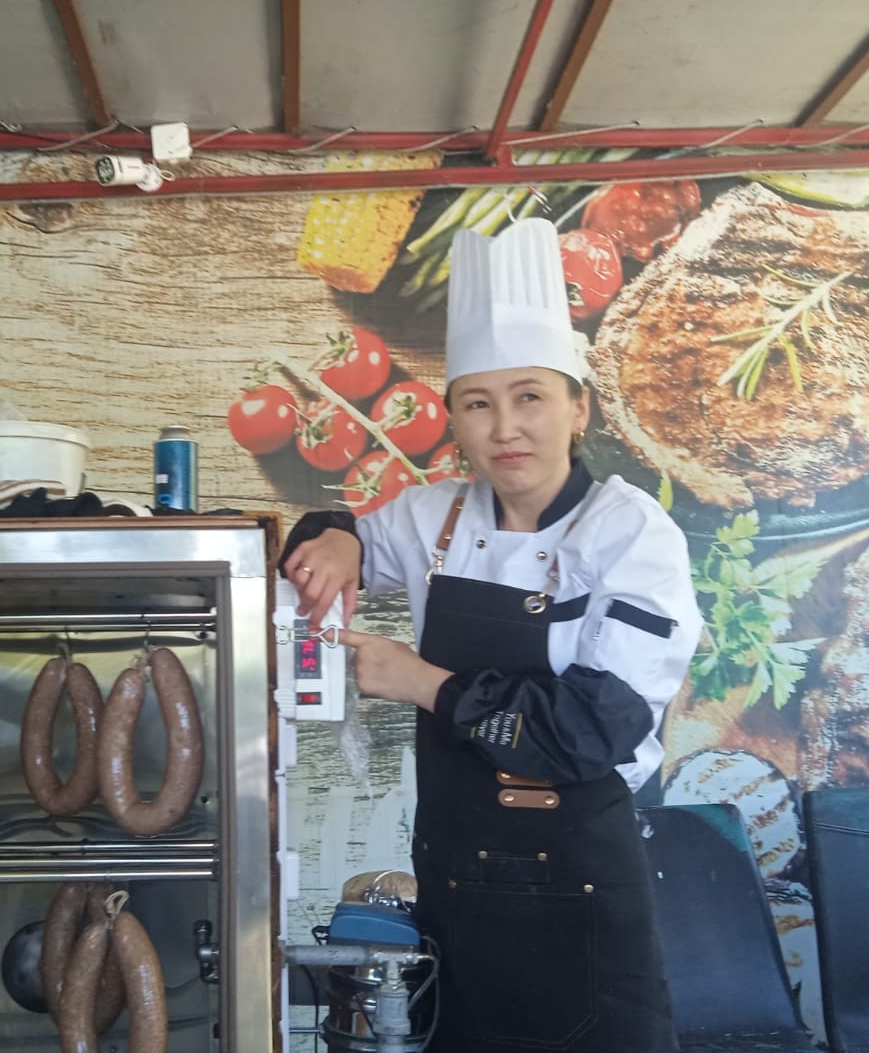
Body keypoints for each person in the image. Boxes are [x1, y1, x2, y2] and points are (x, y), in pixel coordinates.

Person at [283, 219, 700, 1052]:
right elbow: (343, 533)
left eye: (530, 397)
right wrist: (332, 537)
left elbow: (595, 729)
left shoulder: (629, 533)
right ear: (454, 418)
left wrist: (418, 680)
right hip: (454, 878)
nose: (505, 428)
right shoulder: (433, 516)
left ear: (578, 409)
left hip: (577, 888)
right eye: (478, 403)